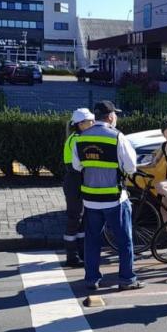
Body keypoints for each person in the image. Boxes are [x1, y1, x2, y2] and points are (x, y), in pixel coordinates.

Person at [71, 100, 143, 291]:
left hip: (91, 200)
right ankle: (127, 279)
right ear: (110, 117)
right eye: (115, 114)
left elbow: (77, 166)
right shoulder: (117, 137)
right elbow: (131, 167)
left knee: (92, 241)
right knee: (124, 241)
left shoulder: (80, 138)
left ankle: (91, 279)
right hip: (115, 199)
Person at [62, 108, 94, 267]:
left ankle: (81, 252)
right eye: (90, 121)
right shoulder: (77, 139)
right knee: (75, 218)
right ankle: (72, 256)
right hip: (75, 181)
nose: (93, 123)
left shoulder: (77, 137)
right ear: (81, 124)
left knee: (81, 219)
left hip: (77, 180)